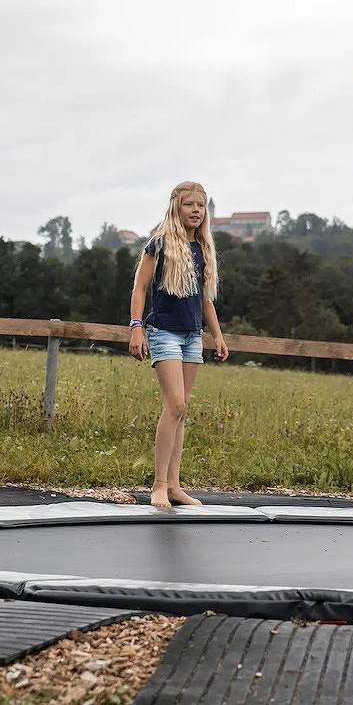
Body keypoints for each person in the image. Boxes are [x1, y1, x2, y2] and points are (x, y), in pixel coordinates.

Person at [128, 182, 229, 509]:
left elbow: (205, 300)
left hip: (192, 336)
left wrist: (217, 335)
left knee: (181, 410)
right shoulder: (159, 245)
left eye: (200, 205)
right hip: (164, 332)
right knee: (175, 405)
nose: (196, 210)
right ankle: (158, 485)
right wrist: (136, 328)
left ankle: (174, 485)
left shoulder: (203, 248)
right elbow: (140, 289)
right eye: (189, 204)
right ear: (176, 207)